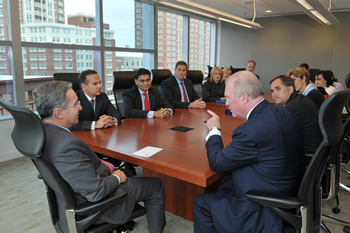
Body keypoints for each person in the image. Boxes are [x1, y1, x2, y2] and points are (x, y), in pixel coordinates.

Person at [34, 81, 166, 232]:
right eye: (76, 104)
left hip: (74, 193)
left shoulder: (44, 133)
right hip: (97, 204)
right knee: (155, 185)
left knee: (126, 171)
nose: (81, 107)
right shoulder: (66, 145)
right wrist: (117, 177)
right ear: (58, 113)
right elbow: (96, 192)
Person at [193, 71, 304, 232]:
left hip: (264, 208)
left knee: (202, 202)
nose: (227, 103)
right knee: (225, 182)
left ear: (244, 97)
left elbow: (217, 162)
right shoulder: (283, 111)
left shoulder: (250, 131)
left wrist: (215, 130)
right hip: (288, 190)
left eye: (229, 98)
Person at [270, 75, 322, 153]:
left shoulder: (292, 107)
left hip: (307, 153)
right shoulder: (301, 99)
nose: (274, 94)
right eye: (272, 91)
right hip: (317, 150)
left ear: (290, 89)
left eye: (278, 89)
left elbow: (279, 135)